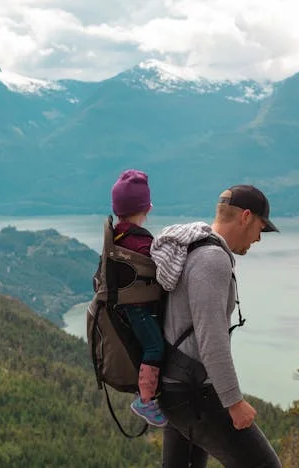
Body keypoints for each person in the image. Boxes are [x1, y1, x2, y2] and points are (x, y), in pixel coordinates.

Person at [149, 184, 282, 468]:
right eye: (261, 227)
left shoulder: (192, 249)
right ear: (245, 216)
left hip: (177, 388)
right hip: (196, 394)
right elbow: (212, 340)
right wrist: (234, 402)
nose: (259, 238)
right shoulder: (212, 259)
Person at [110, 168, 168, 427]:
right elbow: (162, 270)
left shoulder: (117, 236)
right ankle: (144, 400)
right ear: (147, 208)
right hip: (140, 308)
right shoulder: (141, 244)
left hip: (125, 307)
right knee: (155, 347)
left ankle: (145, 392)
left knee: (144, 346)